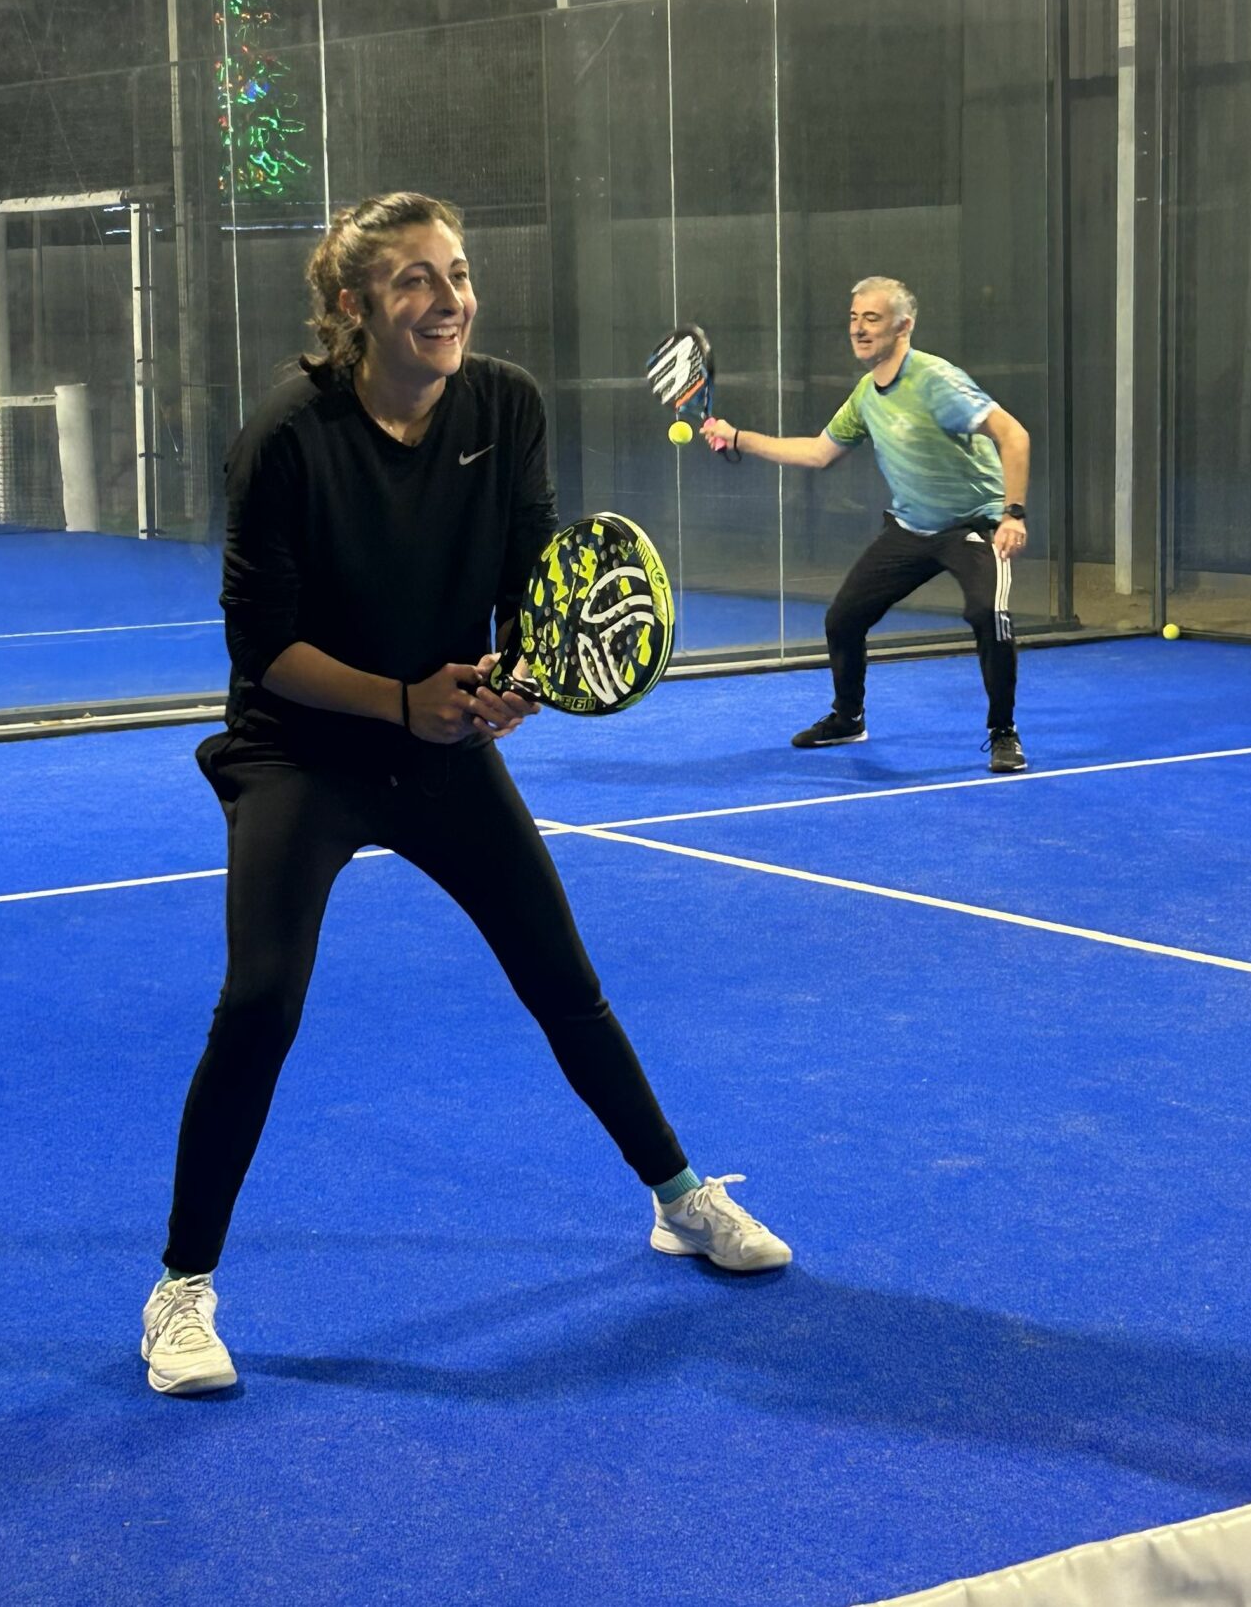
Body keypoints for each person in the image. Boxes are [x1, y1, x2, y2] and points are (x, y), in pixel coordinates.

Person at [143, 192, 790, 1398]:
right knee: (261, 1002)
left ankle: (678, 1197)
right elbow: (261, 648)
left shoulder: (505, 404)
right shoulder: (285, 436)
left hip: (439, 742)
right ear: (355, 307)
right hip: (301, 752)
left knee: (562, 977)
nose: (449, 301)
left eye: (458, 274)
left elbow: (529, 569)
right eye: (415, 281)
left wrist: (519, 677)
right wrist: (403, 701)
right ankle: (181, 1290)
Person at [699, 277, 1032, 773]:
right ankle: (848, 718)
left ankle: (1002, 731)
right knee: (843, 619)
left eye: (872, 319)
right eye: (854, 318)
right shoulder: (865, 395)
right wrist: (737, 437)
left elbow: (1014, 434)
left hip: (974, 525)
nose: (858, 329)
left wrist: (1013, 513)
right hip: (912, 527)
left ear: (903, 326)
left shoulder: (936, 381)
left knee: (989, 613)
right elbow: (818, 453)